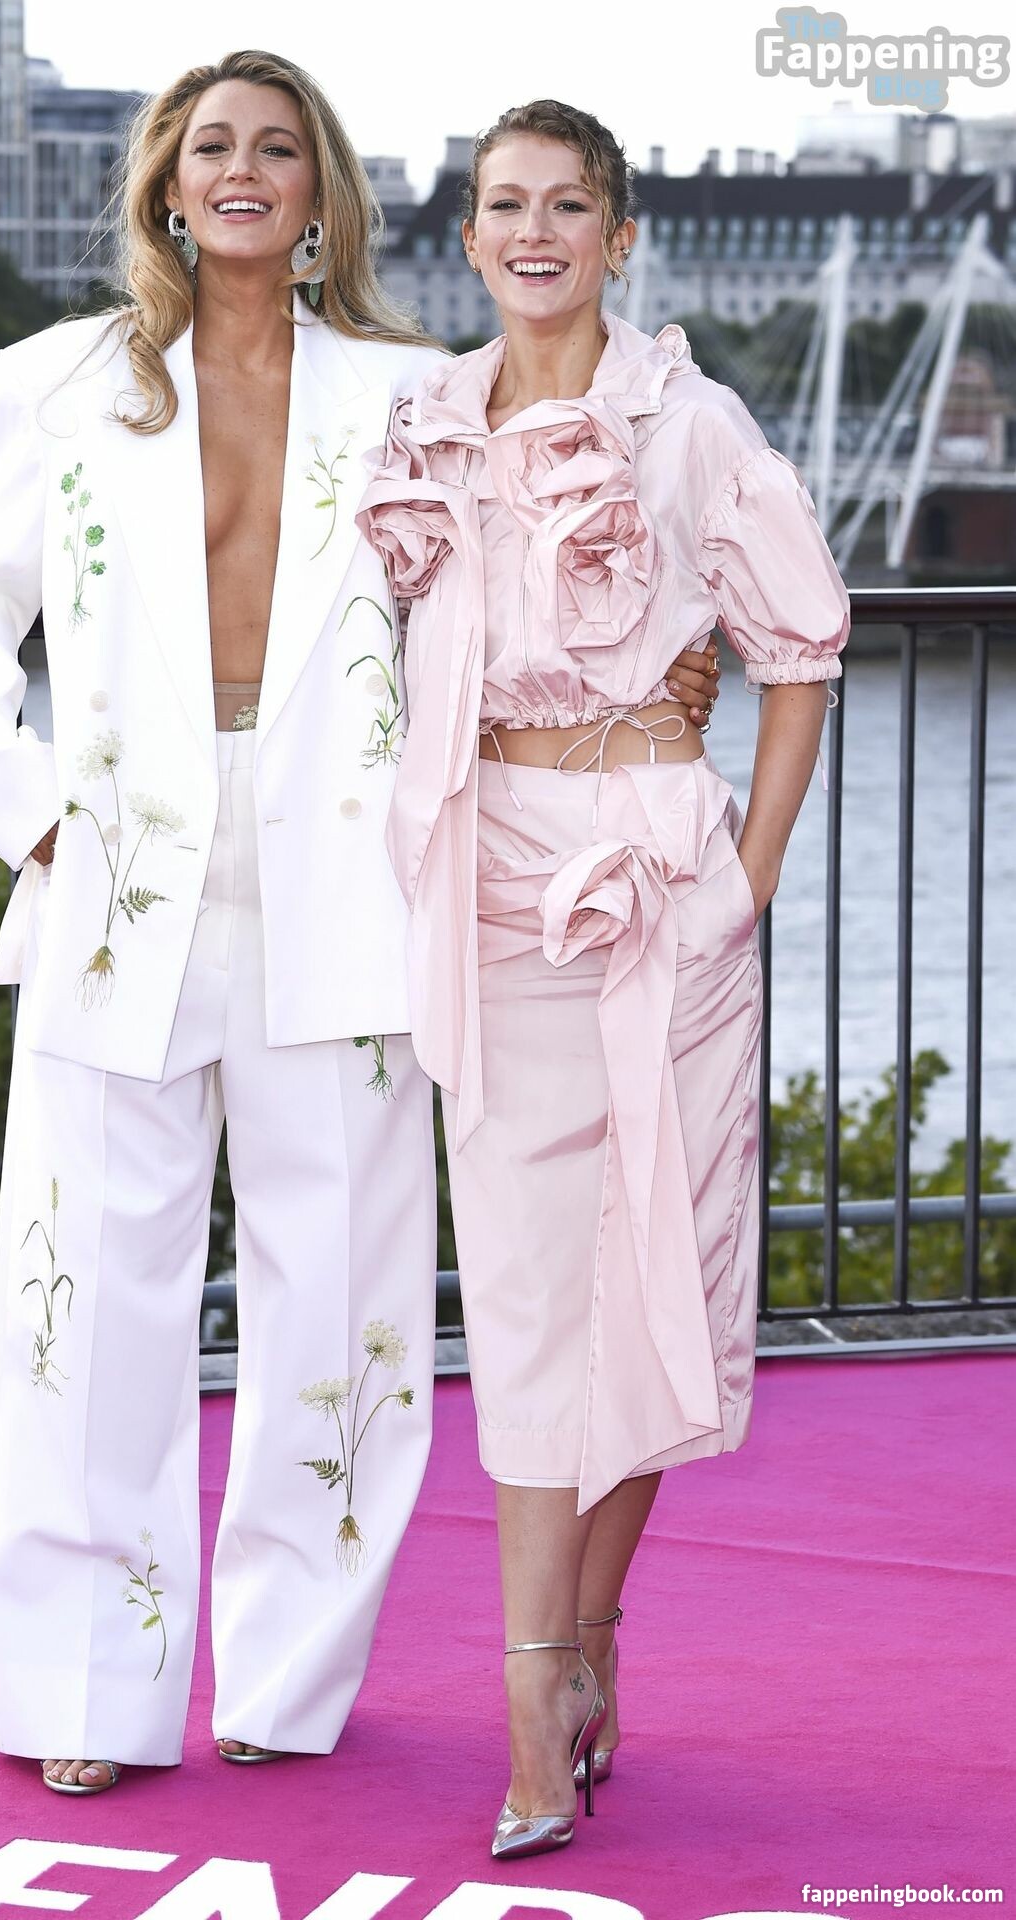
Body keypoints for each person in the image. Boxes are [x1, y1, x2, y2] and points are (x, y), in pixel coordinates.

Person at [0, 54, 722, 1795]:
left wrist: (659, 668)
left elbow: (531, 561)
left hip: (350, 888)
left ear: (318, 193)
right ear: (164, 179)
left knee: (342, 1304)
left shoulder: (405, 392)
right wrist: (25, 808)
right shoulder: (54, 380)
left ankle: (281, 1685)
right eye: (211, 145)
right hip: (117, 886)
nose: (243, 169)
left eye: (277, 148)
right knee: (83, 1305)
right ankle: (83, 1698)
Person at [357, 98, 850, 1860]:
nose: (535, 231)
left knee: (651, 1288)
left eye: (568, 205)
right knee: (519, 1303)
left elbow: (801, 647)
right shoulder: (427, 420)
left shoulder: (688, 424)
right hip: (488, 887)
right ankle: (534, 1685)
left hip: (657, 885)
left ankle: (573, 1649)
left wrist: (746, 881)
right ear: (468, 237)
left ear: (618, 236)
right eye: (505, 204)